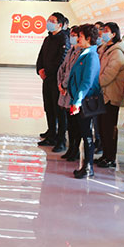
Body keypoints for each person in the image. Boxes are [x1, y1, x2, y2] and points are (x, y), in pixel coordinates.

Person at [68, 24, 101, 179]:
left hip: (86, 101)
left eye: (80, 36)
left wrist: (77, 101)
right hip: (80, 99)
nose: (77, 39)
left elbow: (87, 82)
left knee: (87, 134)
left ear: (88, 38)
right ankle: (85, 165)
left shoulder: (92, 56)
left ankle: (88, 167)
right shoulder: (84, 53)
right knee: (82, 132)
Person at [36, 13, 71, 150]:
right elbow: (41, 56)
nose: (48, 22)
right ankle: (51, 134)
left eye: (52, 21)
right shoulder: (47, 39)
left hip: (57, 80)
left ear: (60, 25)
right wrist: (40, 69)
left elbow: (61, 60)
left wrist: (48, 72)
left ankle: (61, 139)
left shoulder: (64, 39)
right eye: (48, 20)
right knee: (49, 107)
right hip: (47, 79)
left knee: (59, 111)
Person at [95, 22, 124, 168]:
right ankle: (105, 155)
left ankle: (110, 157)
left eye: (106, 30)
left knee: (109, 129)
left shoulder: (117, 53)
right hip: (102, 95)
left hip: (111, 96)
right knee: (102, 128)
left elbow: (108, 75)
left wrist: (94, 84)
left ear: (113, 34)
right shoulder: (104, 49)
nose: (103, 33)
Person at [58, 26, 83, 158]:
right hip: (65, 91)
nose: (71, 37)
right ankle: (71, 148)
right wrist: (60, 84)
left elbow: (72, 72)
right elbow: (62, 69)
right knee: (70, 122)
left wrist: (64, 84)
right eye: (71, 35)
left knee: (75, 123)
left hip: (73, 91)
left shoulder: (82, 53)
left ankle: (75, 149)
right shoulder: (70, 51)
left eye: (74, 35)